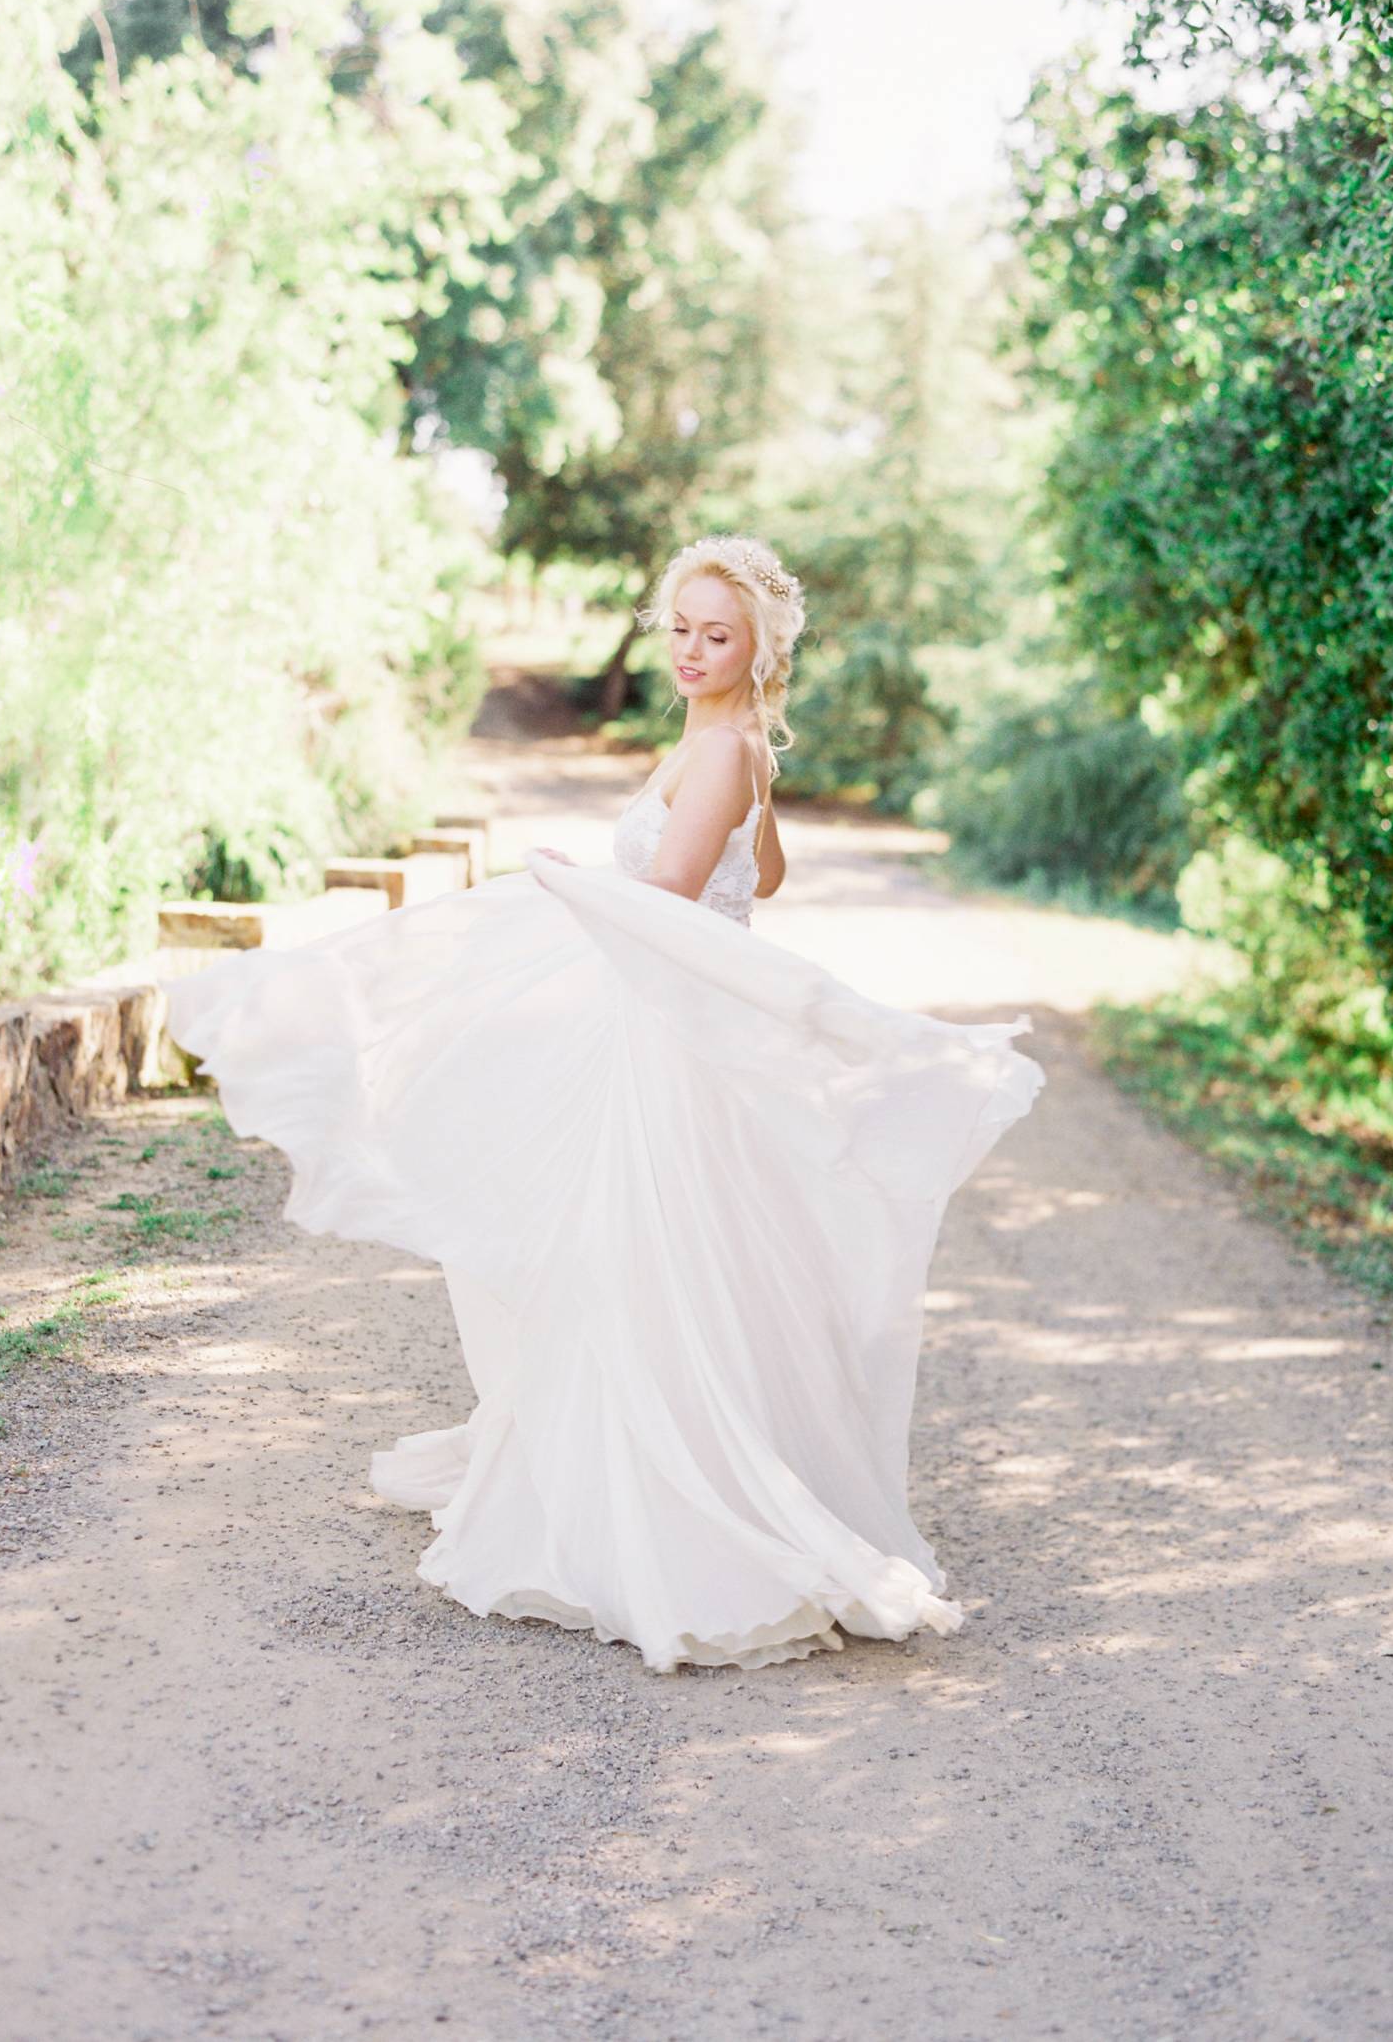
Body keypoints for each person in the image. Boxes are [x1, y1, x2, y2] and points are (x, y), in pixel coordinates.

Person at [161, 533, 1046, 1673]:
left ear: (758, 645)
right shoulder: (732, 741)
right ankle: (637, 1474)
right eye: (677, 627)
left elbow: (674, 893)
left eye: (715, 635)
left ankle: (676, 1513)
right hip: (674, 1030)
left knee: (641, 1259)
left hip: (668, 1042)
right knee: (653, 1259)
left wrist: (566, 878)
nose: (688, 649)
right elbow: (761, 878)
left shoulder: (726, 746)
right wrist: (727, 803)